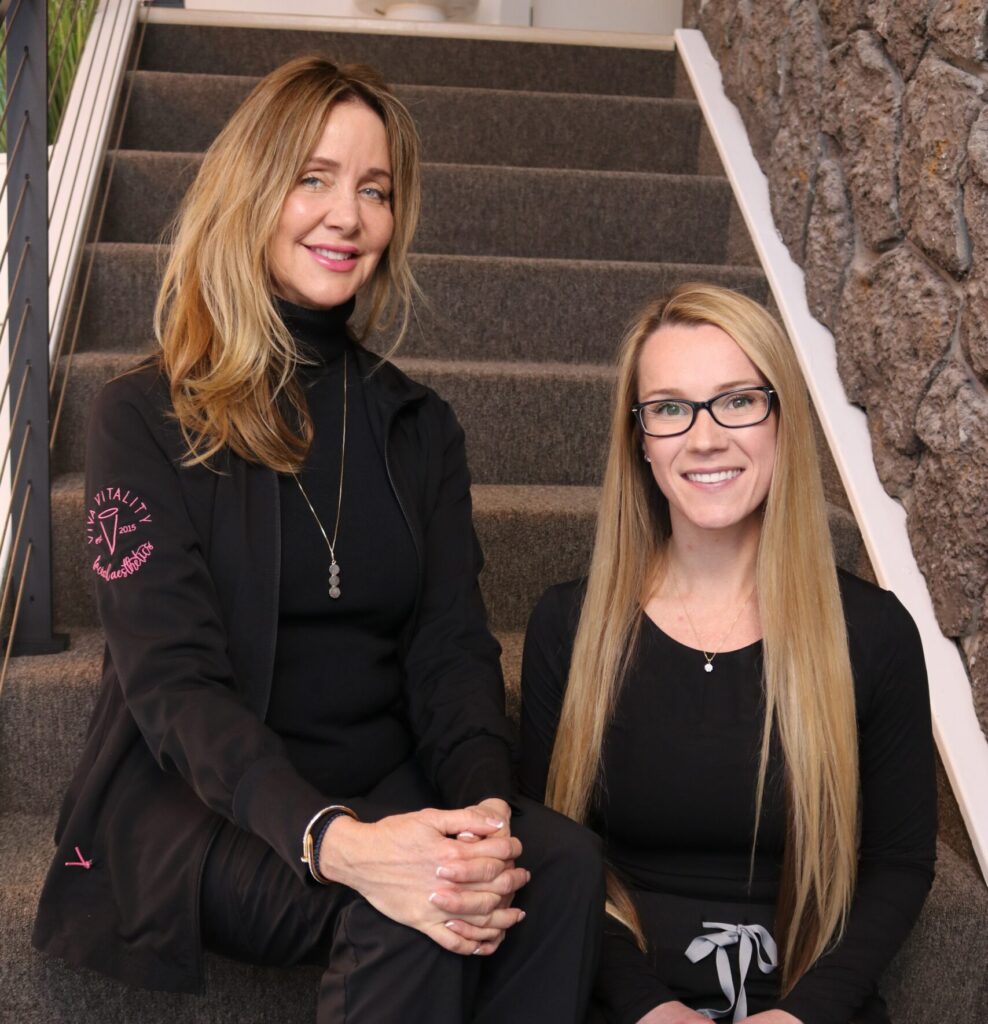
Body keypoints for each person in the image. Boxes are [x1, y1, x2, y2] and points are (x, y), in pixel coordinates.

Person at [33, 57, 602, 1023]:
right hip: (207, 806)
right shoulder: (143, 415)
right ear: (254, 191)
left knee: (558, 866)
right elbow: (173, 688)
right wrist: (337, 840)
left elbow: (453, 650)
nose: (348, 215)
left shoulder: (420, 428)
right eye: (314, 177)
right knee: (408, 908)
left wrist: (485, 816)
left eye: (374, 190)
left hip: (388, 782)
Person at [520, 283, 936, 1024]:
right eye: (671, 408)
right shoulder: (569, 626)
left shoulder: (872, 633)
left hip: (807, 1002)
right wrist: (648, 1007)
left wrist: (801, 1015)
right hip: (614, 997)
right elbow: (552, 853)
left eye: (737, 400)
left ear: (781, 421)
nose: (705, 437)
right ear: (640, 440)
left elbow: (898, 865)